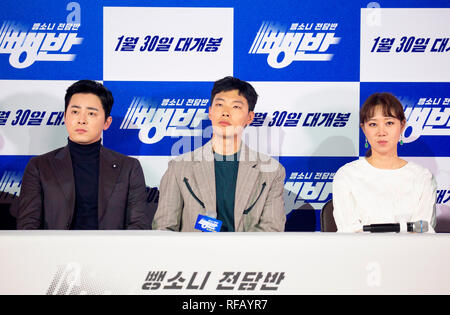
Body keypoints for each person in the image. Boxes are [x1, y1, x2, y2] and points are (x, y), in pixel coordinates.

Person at [153, 76, 286, 232]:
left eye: (236, 107)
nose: (225, 113)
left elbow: (271, 229)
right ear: (210, 112)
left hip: (248, 255)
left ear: (250, 117)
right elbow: (164, 229)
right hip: (193, 254)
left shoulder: (271, 171)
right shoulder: (180, 167)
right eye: (219, 105)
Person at [16, 80, 149, 230]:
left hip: (111, 252)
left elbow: (138, 227)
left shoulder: (129, 168)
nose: (81, 120)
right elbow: (27, 228)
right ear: (65, 117)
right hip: (55, 252)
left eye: (91, 113)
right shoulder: (39, 167)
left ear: (107, 122)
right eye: (75, 112)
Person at [332, 92, 437, 233]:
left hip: (410, 254)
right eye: (373, 124)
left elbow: (424, 231)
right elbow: (348, 231)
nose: (381, 132)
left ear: (402, 125)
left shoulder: (422, 177)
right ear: (364, 129)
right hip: (360, 253)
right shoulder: (347, 175)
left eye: (389, 123)